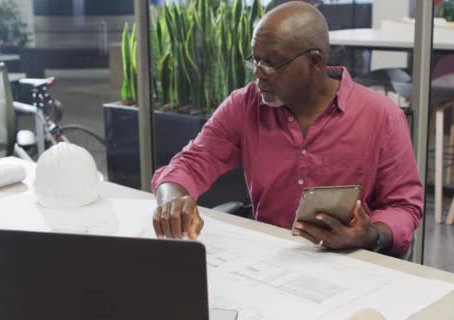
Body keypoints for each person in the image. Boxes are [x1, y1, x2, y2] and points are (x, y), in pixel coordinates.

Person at [151, 1, 423, 256]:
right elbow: (190, 164)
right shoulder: (244, 105)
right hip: (271, 260)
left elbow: (404, 207)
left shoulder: (381, 116)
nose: (258, 73)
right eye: (255, 60)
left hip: (352, 261)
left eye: (270, 63)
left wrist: (370, 235)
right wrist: (171, 201)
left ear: (315, 62)